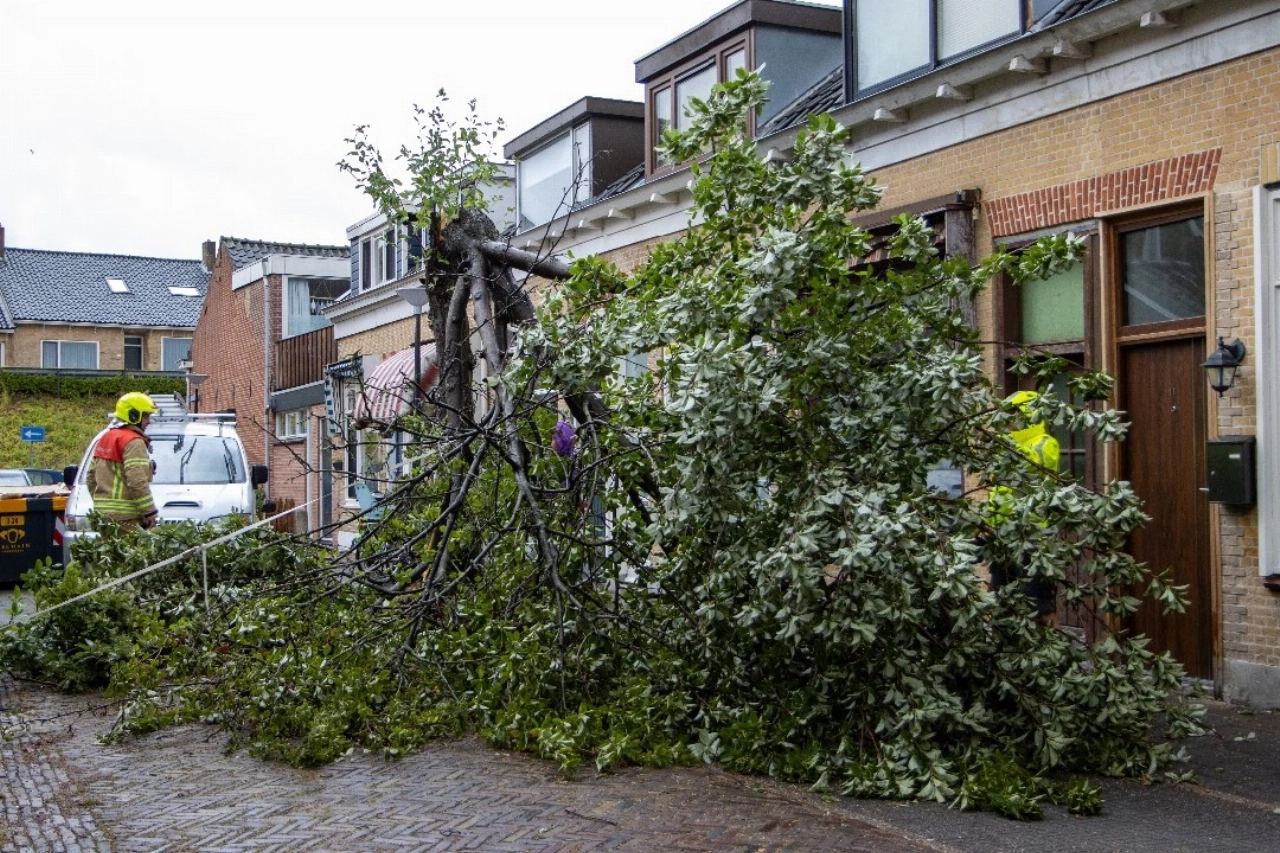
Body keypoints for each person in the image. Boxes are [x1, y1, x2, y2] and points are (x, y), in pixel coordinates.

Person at [984, 390, 1061, 624]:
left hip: (1035, 538)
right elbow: (998, 493)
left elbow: (1029, 467)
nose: (1007, 424)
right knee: (1001, 601)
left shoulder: (1046, 443)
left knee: (1040, 608)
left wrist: (1001, 447)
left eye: (1012, 417)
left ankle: (1049, 654)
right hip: (1005, 536)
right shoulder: (1005, 448)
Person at [87, 392, 160, 531]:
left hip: (104, 517)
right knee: (133, 552)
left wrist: (103, 505)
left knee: (109, 552)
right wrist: (150, 512)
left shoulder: (106, 437)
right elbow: (137, 481)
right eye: (146, 416)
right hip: (127, 518)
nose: (149, 421)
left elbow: (91, 477)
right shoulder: (134, 442)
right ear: (134, 415)